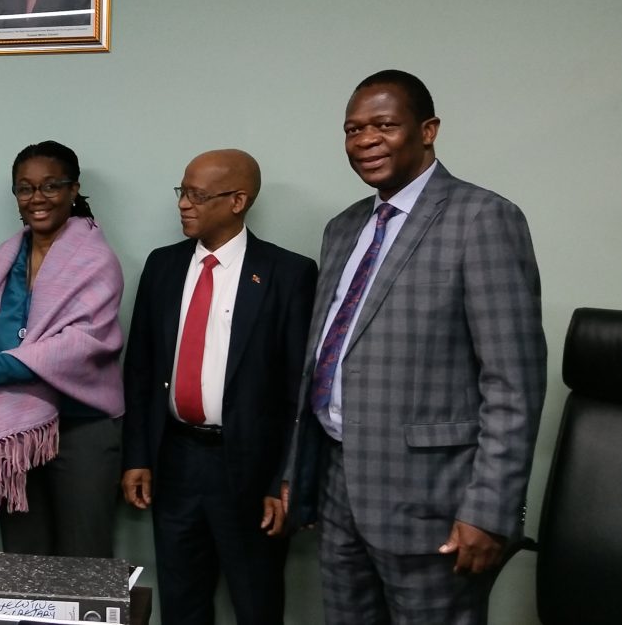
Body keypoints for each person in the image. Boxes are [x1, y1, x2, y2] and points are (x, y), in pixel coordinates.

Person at [281, 70, 547, 624]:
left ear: (428, 131)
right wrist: (299, 473)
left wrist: (490, 510)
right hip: (338, 487)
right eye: (353, 129)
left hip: (435, 503)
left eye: (384, 125)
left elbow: (513, 384)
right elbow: (326, 359)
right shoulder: (343, 229)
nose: (365, 141)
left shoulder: (482, 218)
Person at [120, 150, 316, 624]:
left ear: (237, 201)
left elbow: (300, 391)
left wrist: (283, 480)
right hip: (176, 460)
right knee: (181, 602)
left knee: (256, 602)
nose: (183, 204)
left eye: (197, 195)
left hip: (250, 467)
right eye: (182, 191)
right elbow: (140, 369)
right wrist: (138, 456)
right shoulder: (163, 266)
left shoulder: (288, 273)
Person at [0, 140, 124, 559]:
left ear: (74, 189)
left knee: (85, 561)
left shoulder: (97, 260)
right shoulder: (7, 256)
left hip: (80, 428)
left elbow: (78, 347)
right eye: (25, 188)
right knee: (22, 561)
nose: (37, 198)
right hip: (12, 431)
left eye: (50, 186)